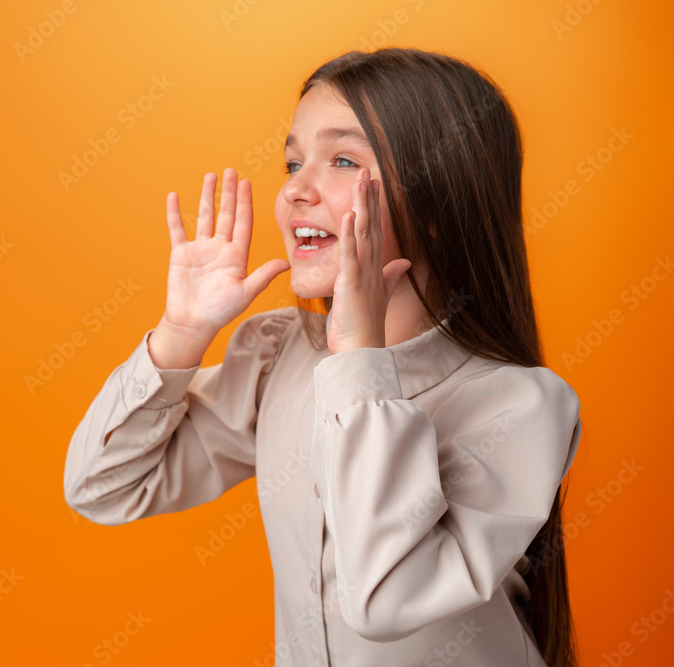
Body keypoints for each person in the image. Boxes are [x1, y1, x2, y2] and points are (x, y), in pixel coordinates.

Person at [63, 47, 582, 667]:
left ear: (442, 201)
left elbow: (387, 599)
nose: (294, 190)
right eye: (292, 162)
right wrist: (180, 332)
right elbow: (101, 488)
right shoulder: (280, 354)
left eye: (341, 160)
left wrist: (361, 359)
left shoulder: (520, 404)